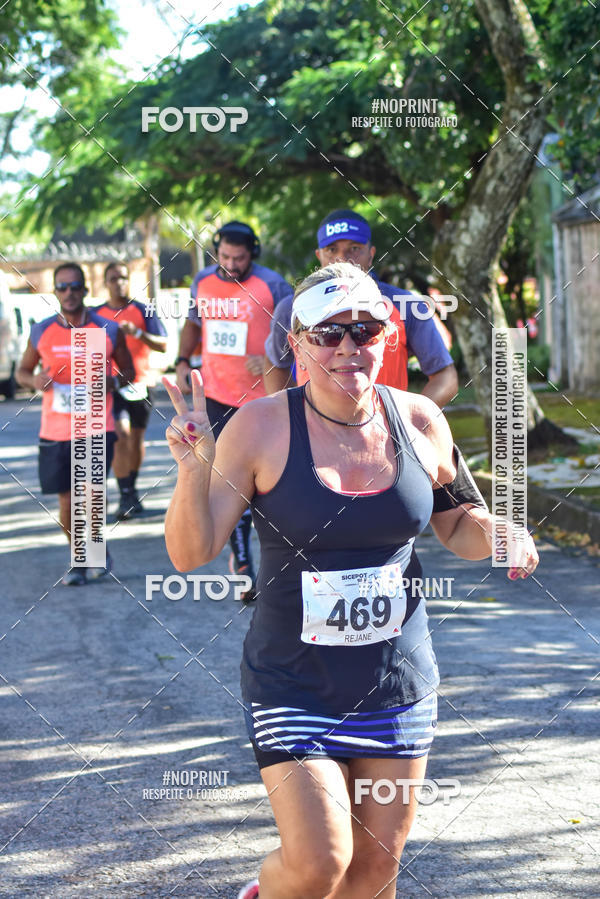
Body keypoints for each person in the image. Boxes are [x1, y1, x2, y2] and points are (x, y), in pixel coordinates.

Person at [163, 263, 538, 899]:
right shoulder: (258, 427)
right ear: (298, 343)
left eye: (363, 330)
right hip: (293, 683)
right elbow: (192, 553)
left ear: (388, 336)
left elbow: (456, 524)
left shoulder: (419, 419)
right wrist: (192, 472)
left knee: (372, 875)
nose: (347, 348)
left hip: (397, 683)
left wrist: (501, 529)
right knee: (319, 865)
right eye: (327, 333)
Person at [174, 221, 293, 600]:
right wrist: (181, 359)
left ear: (252, 254)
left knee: (272, 483)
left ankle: (284, 559)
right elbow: (193, 324)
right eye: (224, 256)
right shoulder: (203, 282)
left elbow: (299, 334)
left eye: (239, 258)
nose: (231, 264)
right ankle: (242, 561)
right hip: (217, 396)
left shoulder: (273, 286)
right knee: (228, 483)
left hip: (263, 400)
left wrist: (272, 358)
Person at [263, 208, 458, 407]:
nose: (342, 257)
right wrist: (294, 415)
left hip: (383, 434)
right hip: (314, 433)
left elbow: (445, 376)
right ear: (319, 255)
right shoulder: (293, 306)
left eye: (354, 248)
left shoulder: (405, 304)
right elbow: (275, 364)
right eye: (331, 249)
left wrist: (406, 420)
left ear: (370, 254)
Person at [16, 262, 135, 586]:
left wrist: (109, 383)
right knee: (67, 503)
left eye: (74, 286)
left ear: (84, 290)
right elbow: (22, 372)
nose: (68, 293)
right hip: (54, 431)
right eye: (62, 287)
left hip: (97, 426)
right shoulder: (41, 330)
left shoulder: (107, 329)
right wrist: (34, 380)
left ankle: (92, 552)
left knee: (91, 495)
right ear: (55, 292)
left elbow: (128, 373)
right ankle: (79, 555)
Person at [95, 262, 167, 520]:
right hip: (112, 385)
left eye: (123, 278)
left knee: (136, 439)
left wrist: (137, 332)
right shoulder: (97, 314)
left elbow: (163, 344)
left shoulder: (142, 309)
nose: (119, 282)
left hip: (142, 383)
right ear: (106, 282)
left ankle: (132, 489)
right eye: (113, 278)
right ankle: (125, 493)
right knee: (121, 435)